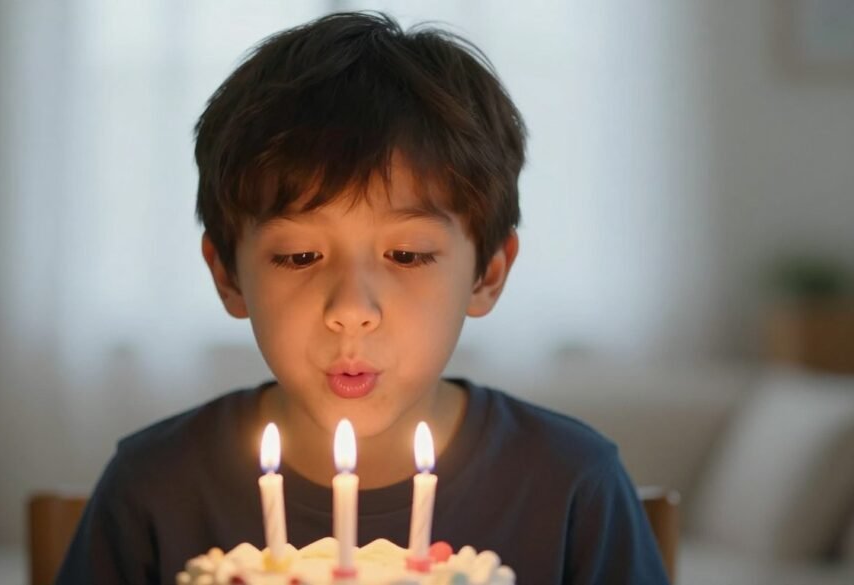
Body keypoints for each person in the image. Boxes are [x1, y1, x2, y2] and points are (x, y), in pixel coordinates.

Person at [56, 11, 669, 585]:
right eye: (299, 257)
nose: (351, 308)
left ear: (487, 274)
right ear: (229, 276)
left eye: (406, 255)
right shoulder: (155, 489)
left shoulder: (570, 487)